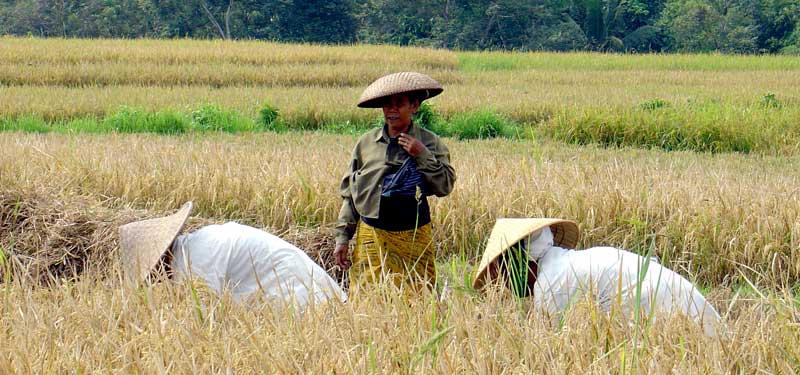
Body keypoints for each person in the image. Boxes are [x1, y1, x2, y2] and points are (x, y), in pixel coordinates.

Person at [473, 218, 724, 337]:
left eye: (504, 271)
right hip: (691, 307)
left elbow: (554, 350)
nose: (504, 282)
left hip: (673, 321)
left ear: (522, 263)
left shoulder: (551, 284)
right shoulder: (570, 261)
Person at [333, 72, 456, 290]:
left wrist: (421, 154)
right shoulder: (366, 144)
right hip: (372, 235)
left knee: (418, 298)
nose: (392, 110)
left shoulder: (430, 142)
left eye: (399, 104)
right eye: (387, 105)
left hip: (413, 237)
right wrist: (342, 238)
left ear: (414, 106)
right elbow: (351, 194)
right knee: (368, 298)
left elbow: (445, 186)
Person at [119, 202, 346, 310]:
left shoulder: (194, 262)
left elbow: (207, 316)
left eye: (152, 275)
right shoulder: (193, 245)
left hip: (303, 297)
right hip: (295, 283)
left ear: (161, 260)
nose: (155, 281)